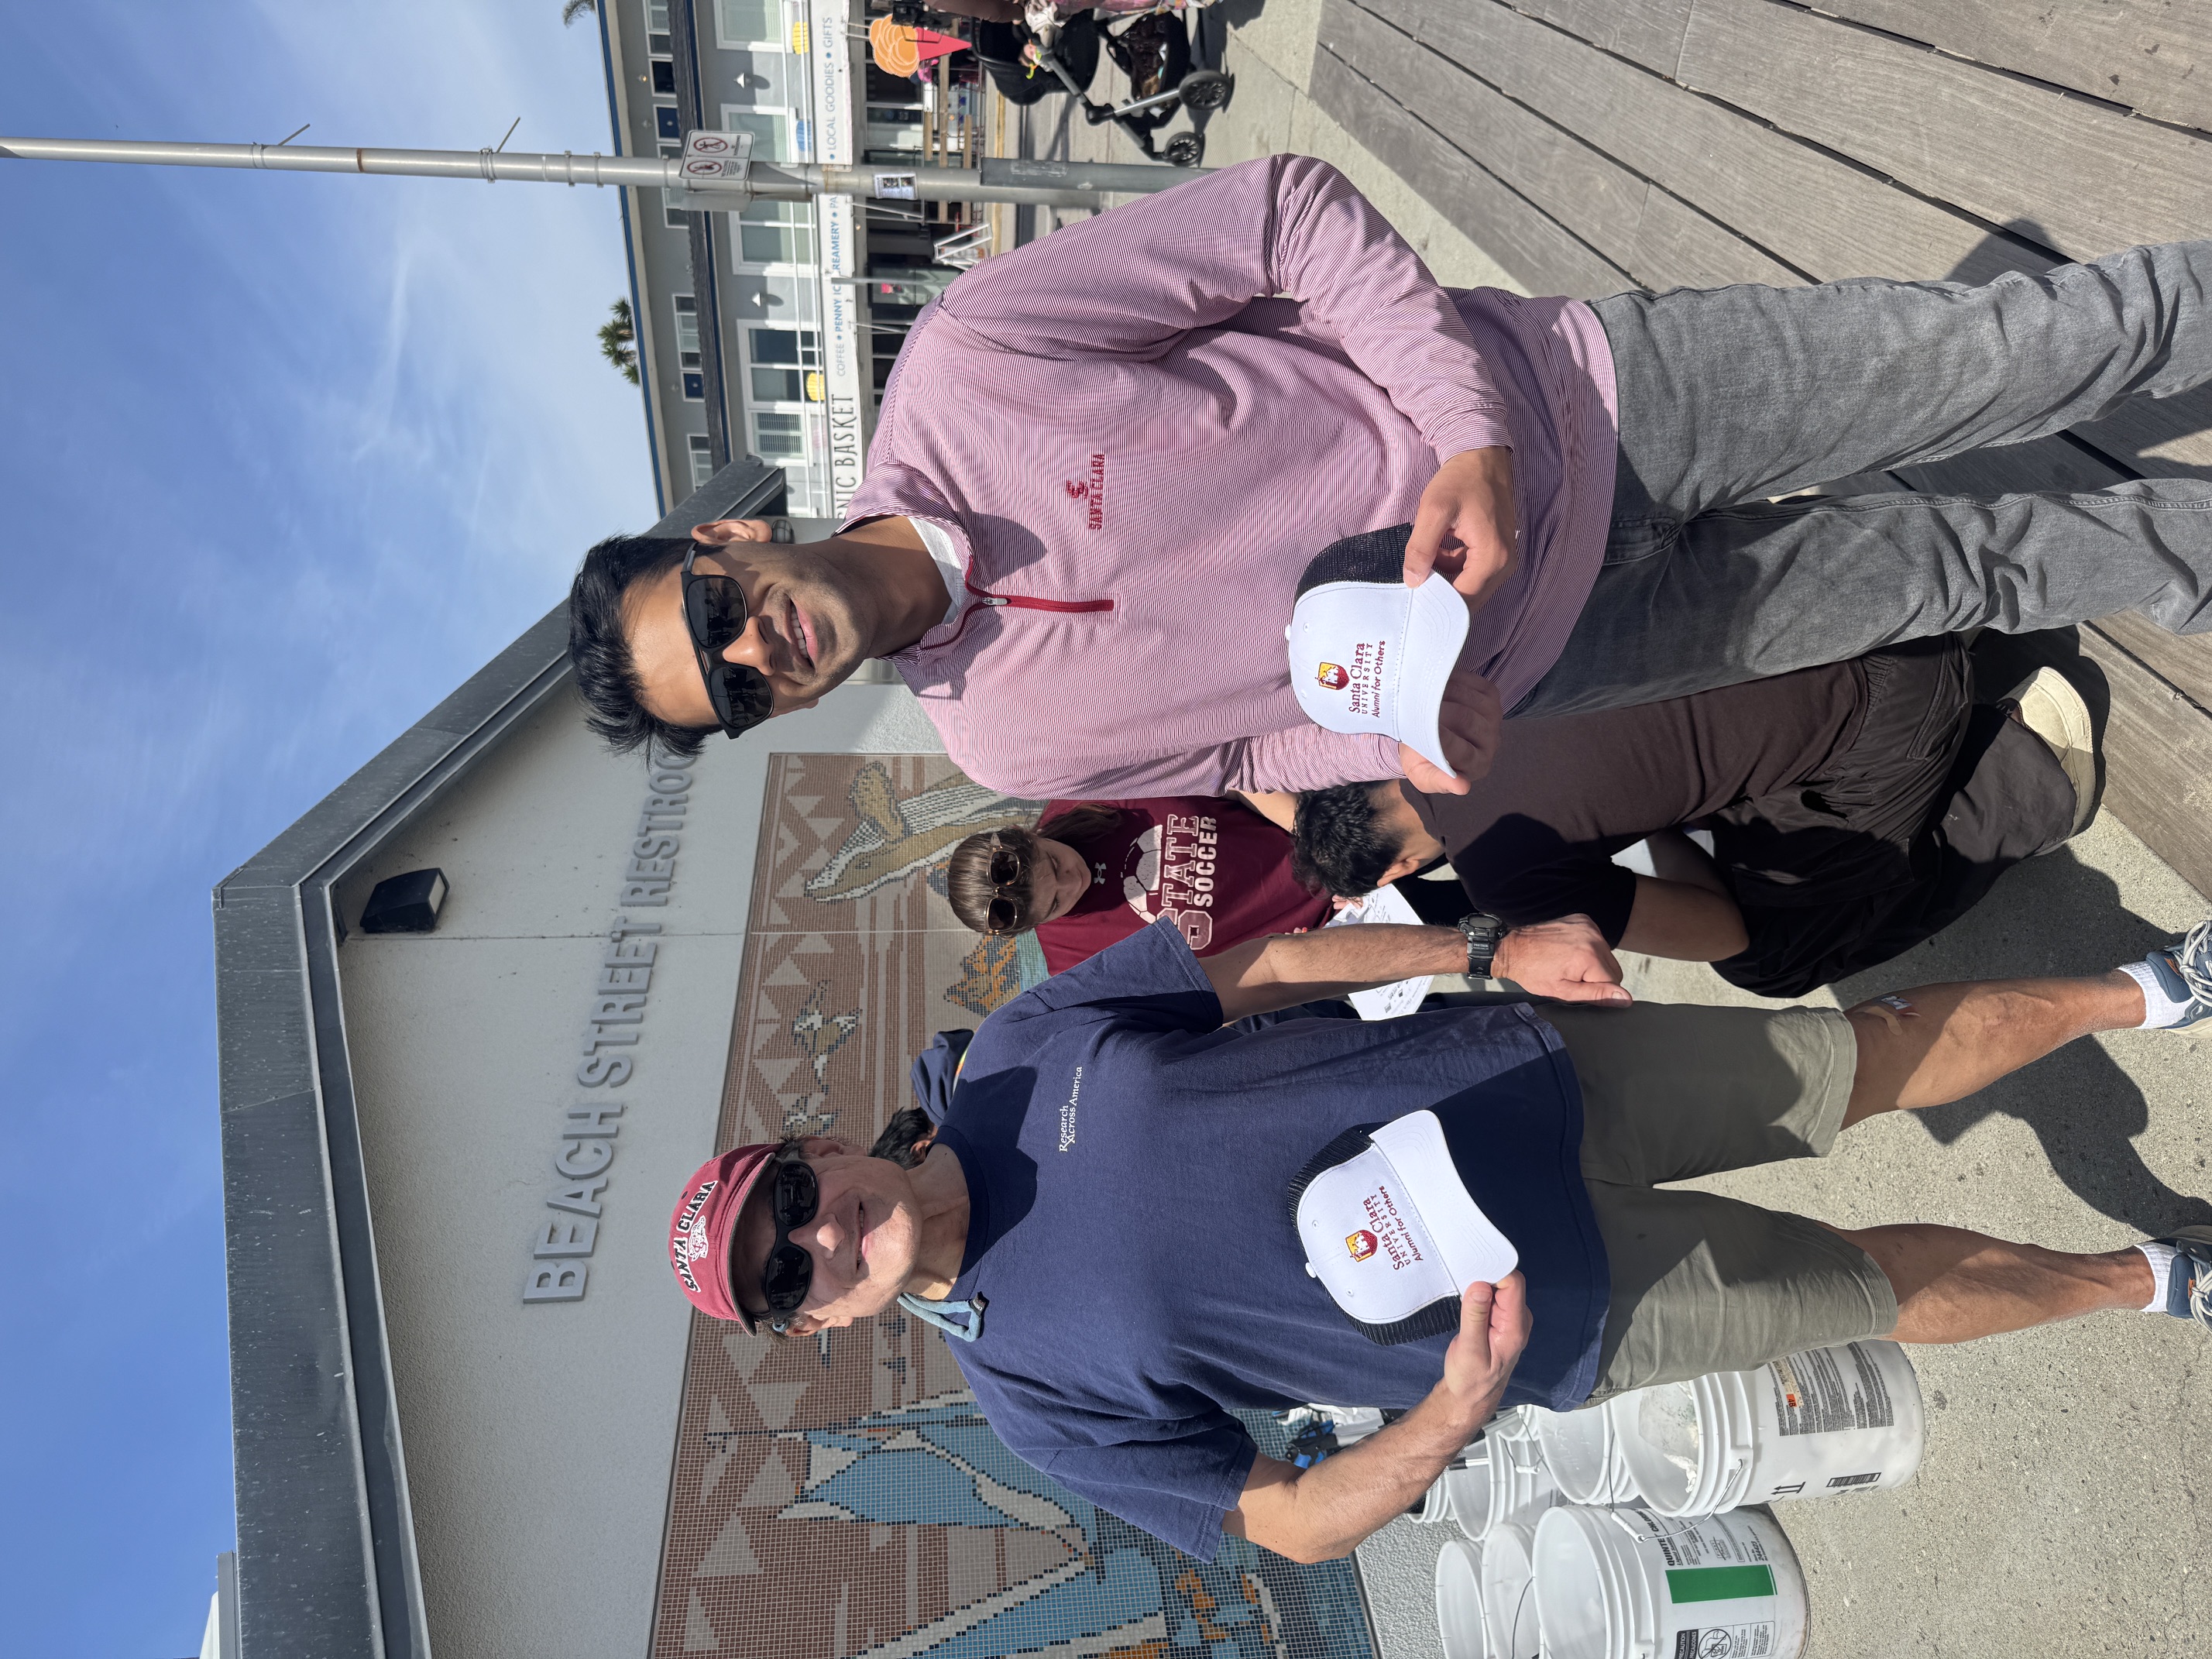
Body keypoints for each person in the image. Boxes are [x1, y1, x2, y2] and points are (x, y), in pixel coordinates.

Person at [570, 153, 2212, 800]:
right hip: (1561, 655)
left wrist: (1470, 438)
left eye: (709, 606)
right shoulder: (1006, 745)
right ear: (768, 717)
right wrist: (1391, 740)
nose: (748, 645)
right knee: (1953, 579)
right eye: (730, 689)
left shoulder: (970, 360)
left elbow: (1283, 215)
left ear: (726, 535)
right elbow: (1235, 751)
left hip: (1591, 401)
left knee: (2014, 354)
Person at [665, 910, 2212, 1565]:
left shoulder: (1014, 1046)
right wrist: (1452, 1417)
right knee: (1872, 1284)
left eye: (786, 1201)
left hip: (1532, 1080)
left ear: (815, 1146)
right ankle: (2159, 1279)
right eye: (780, 1278)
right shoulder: (1027, 1395)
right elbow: (1273, 1520)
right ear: (815, 1328)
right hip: (1555, 1315)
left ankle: (2158, 990)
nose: (816, 1239)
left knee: (1856, 1059)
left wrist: (1487, 946)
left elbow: (1262, 965)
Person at [1290, 637, 2089, 997]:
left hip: (1897, 700)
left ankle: (2023, 774)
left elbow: (1719, 930)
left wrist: (1650, 828)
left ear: (1398, 870)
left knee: (1771, 957)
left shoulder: (1503, 871)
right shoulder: (1454, 662)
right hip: (1851, 597)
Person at [942, 794, 1334, 970]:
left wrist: (1327, 846)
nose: (1072, 884)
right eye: (1056, 905)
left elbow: (1231, 775)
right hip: (1331, 932)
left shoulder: (1087, 792)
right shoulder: (1077, 966)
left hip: (1335, 834)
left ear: (1022, 832)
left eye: (1055, 863)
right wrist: (1294, 954)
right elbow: (1212, 1002)